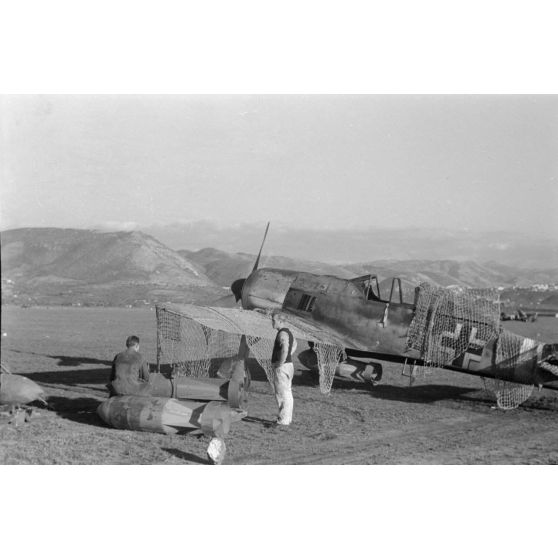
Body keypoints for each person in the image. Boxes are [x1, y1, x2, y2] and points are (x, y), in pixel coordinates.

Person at [270, 312, 297, 426]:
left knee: (282, 394)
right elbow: (295, 343)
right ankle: (286, 419)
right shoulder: (288, 333)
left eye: (274, 320)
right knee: (287, 393)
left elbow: (285, 349)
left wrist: (280, 363)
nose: (272, 322)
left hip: (283, 367)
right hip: (288, 365)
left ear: (280, 321)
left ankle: (283, 421)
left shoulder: (282, 334)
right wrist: (287, 357)